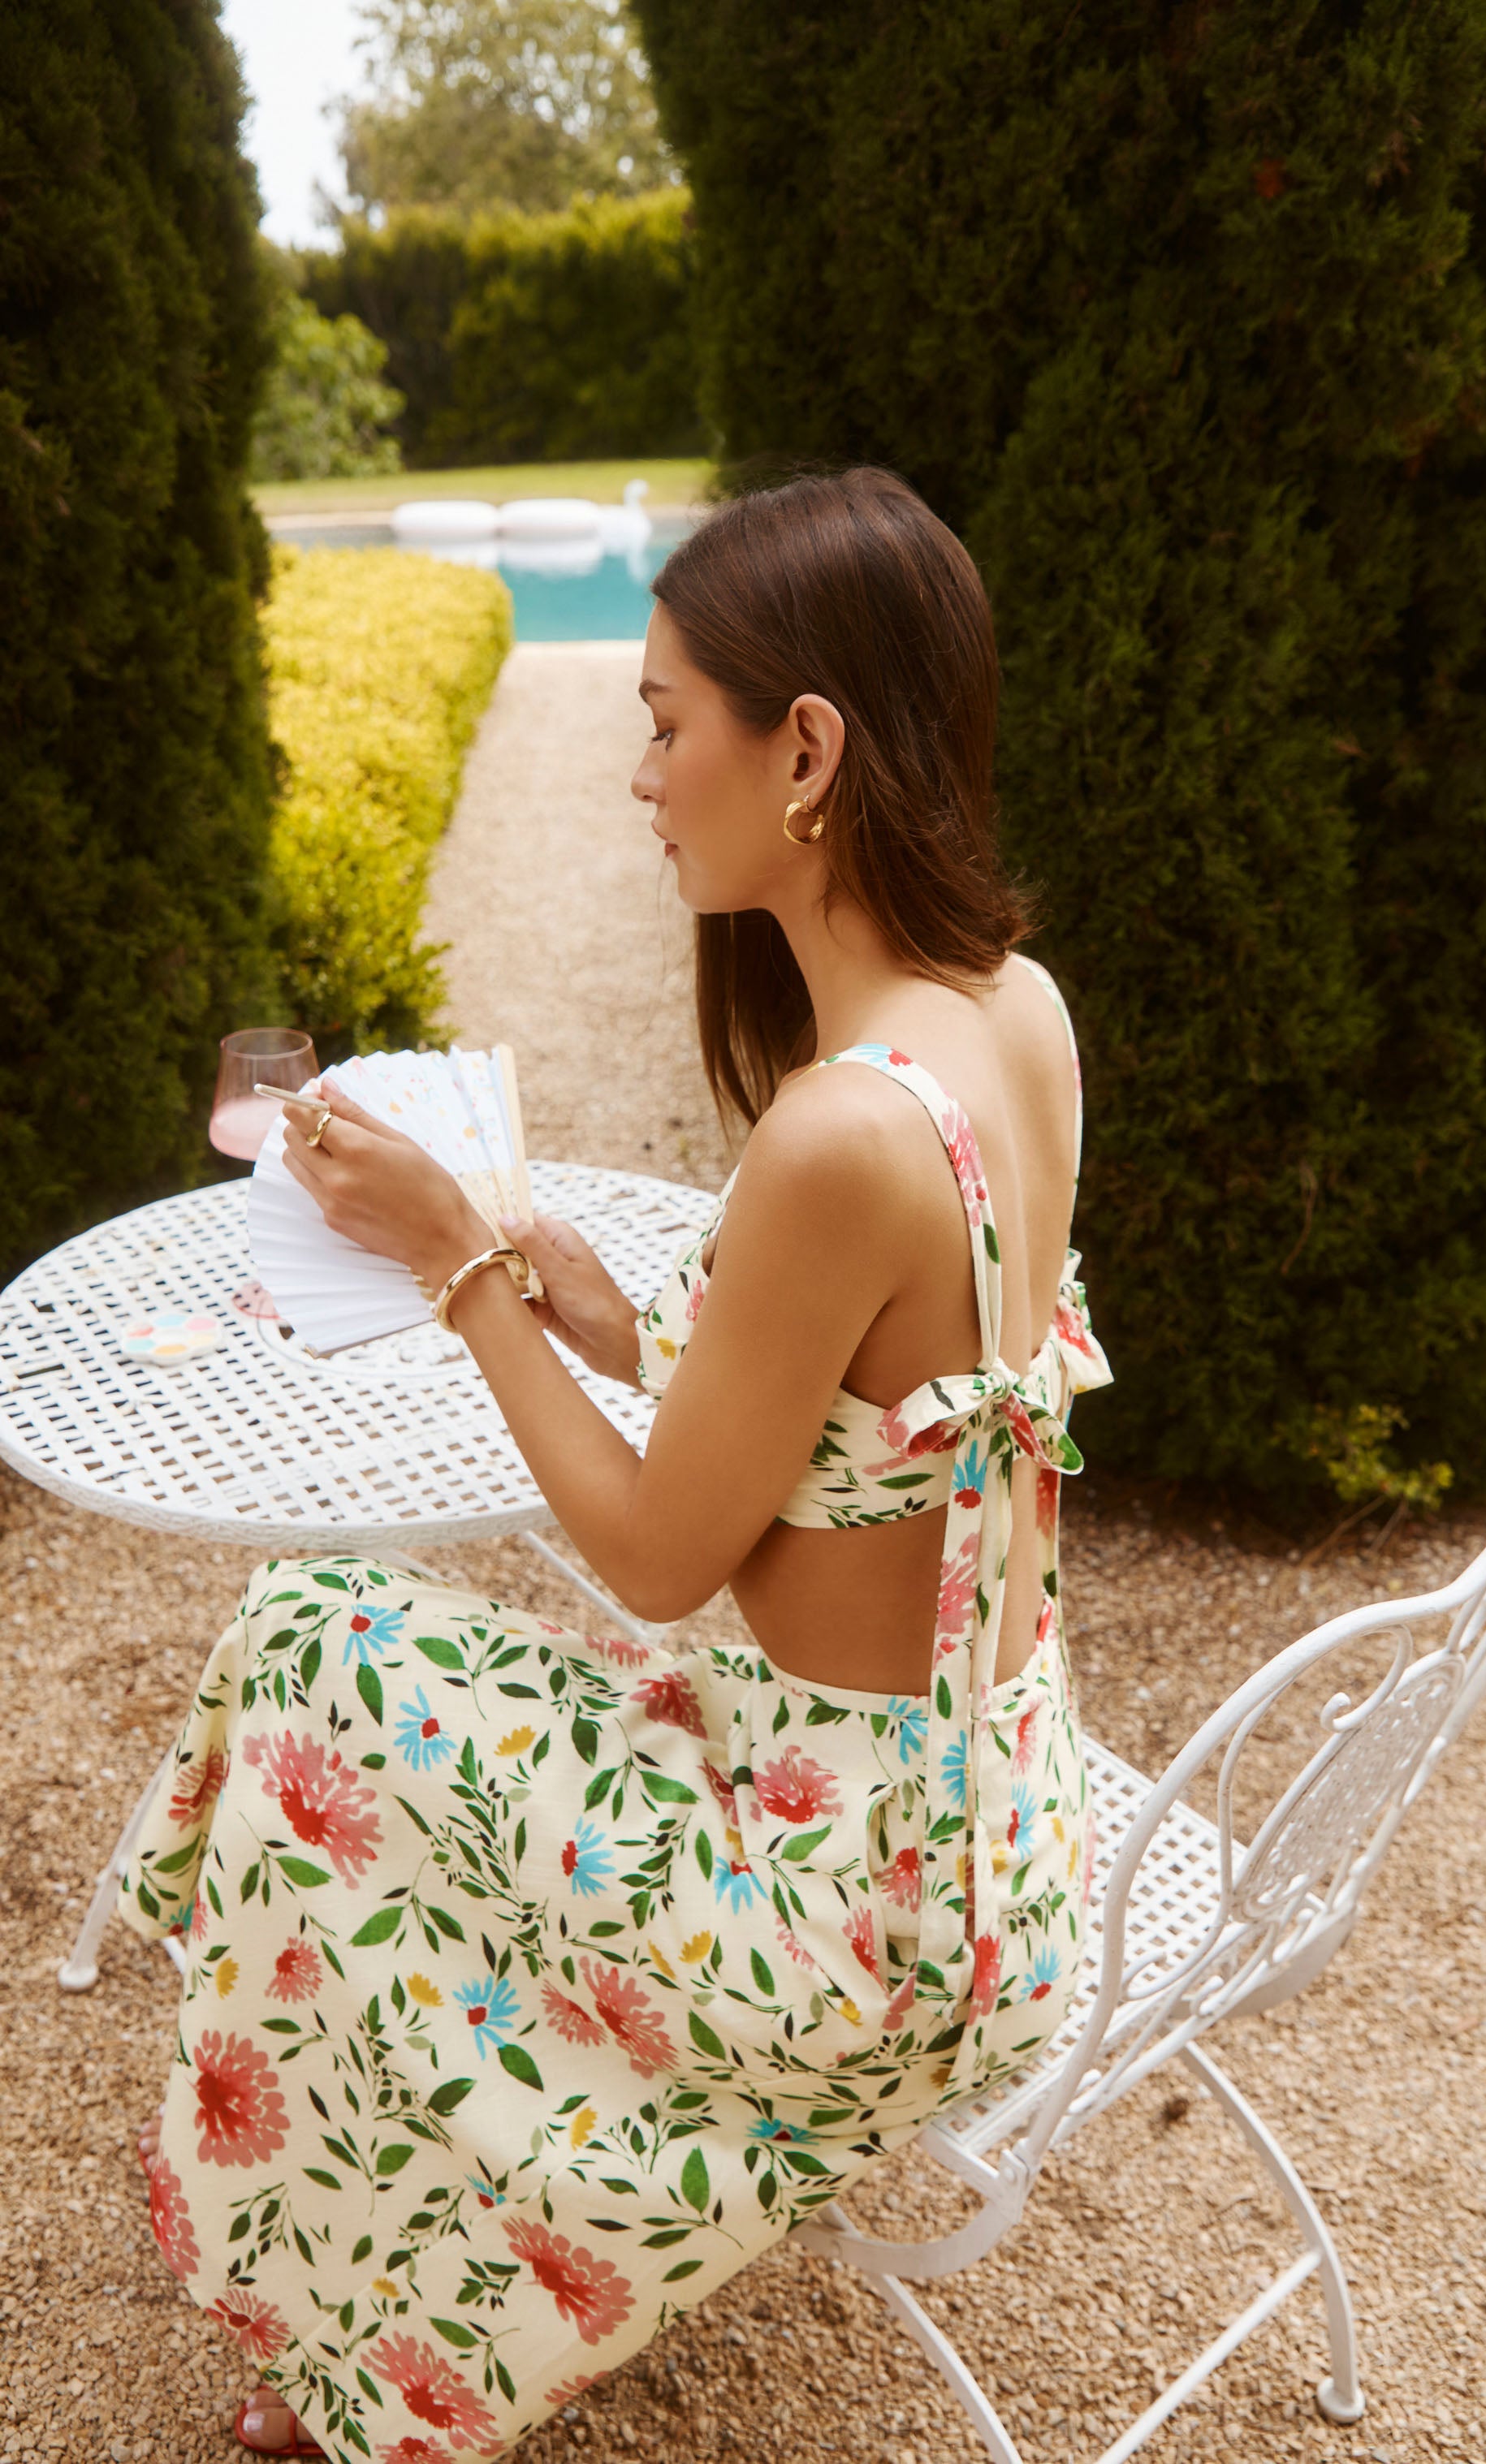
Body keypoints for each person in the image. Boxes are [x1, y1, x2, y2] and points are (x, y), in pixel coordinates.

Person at [123, 467, 1112, 2461]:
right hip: (997, 1840)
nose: (642, 773)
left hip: (835, 1919)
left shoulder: (841, 1128)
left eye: (668, 723)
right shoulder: (1011, 1013)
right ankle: (401, 2282)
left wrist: (458, 1262)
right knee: (372, 1703)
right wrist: (620, 1321)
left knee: (319, 1653)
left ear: (805, 747)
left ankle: (367, 2360)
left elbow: (663, 1559)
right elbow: (888, 1428)